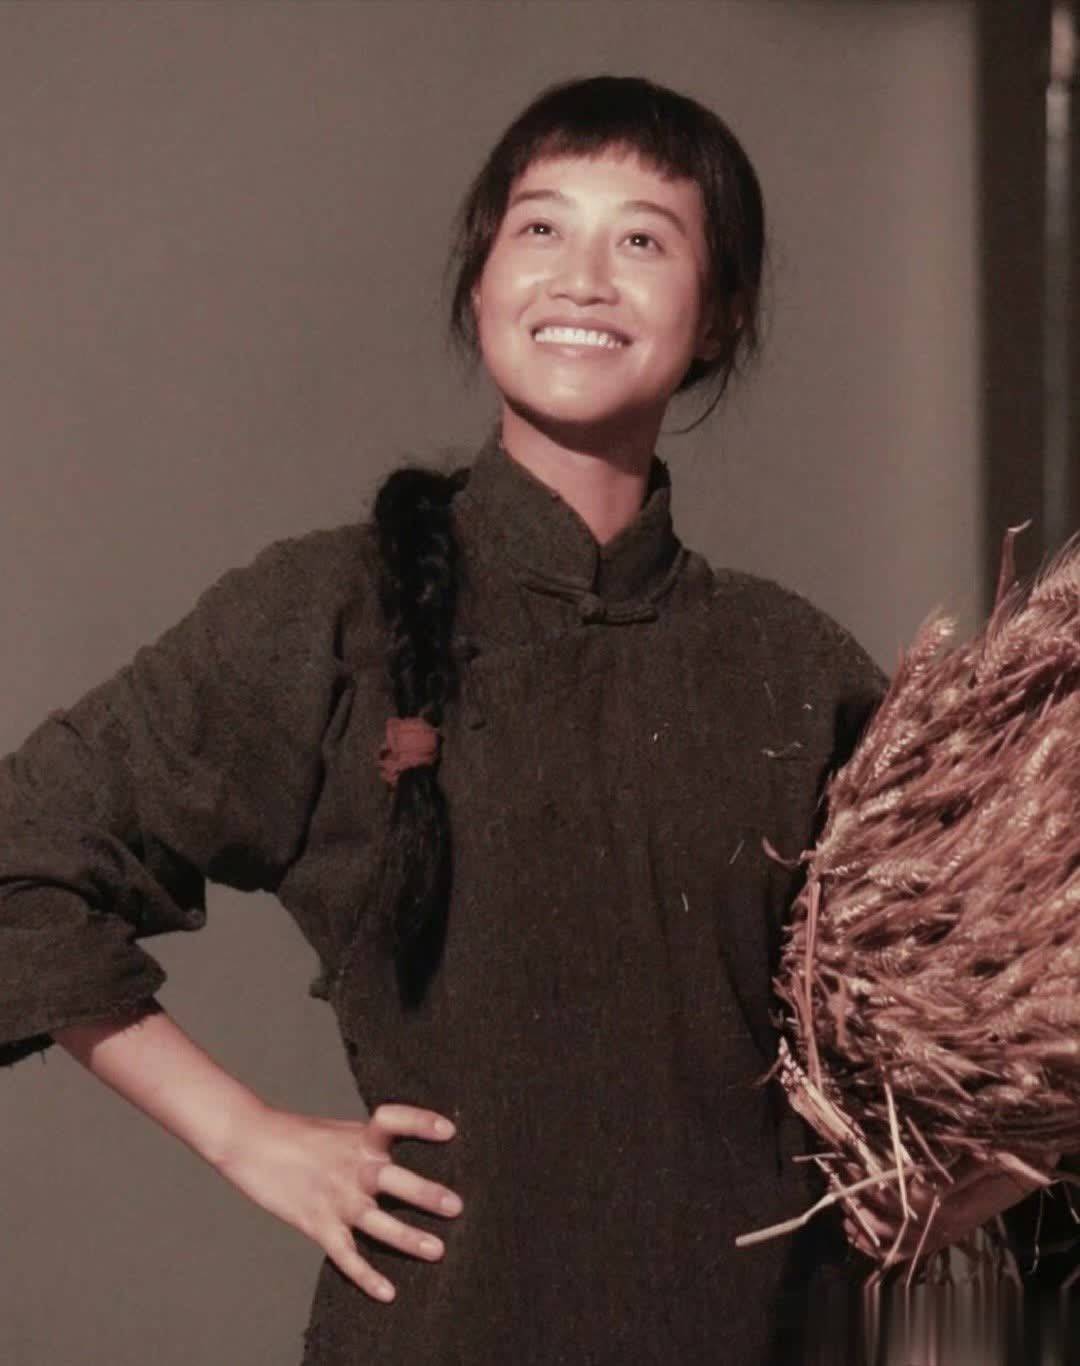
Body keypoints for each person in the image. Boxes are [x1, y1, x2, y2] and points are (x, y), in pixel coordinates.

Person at [0, 74, 1042, 1364]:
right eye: (542, 227)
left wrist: (987, 1157)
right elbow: (23, 862)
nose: (584, 278)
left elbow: (965, 1050)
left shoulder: (798, 667)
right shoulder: (335, 612)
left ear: (718, 315)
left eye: (644, 239)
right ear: (480, 283)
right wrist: (248, 1138)